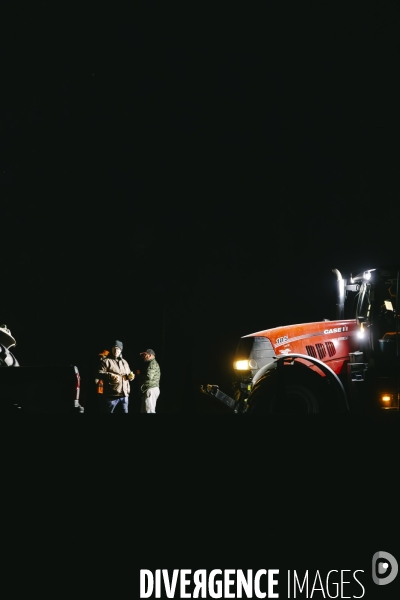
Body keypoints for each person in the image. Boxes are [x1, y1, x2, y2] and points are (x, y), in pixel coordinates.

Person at [98, 340, 135, 413]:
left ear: (121, 350)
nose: (115, 350)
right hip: (112, 395)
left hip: (124, 394)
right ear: (111, 349)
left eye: (118, 349)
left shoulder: (125, 362)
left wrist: (130, 377)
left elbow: (128, 374)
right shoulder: (106, 361)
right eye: (114, 348)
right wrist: (111, 375)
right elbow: (99, 373)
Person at [138, 349, 161, 413]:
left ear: (150, 355)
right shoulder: (150, 363)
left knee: (149, 411)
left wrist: (139, 374)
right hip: (149, 389)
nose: (143, 357)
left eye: (145, 355)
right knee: (145, 411)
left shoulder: (152, 363)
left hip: (151, 390)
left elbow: (149, 376)